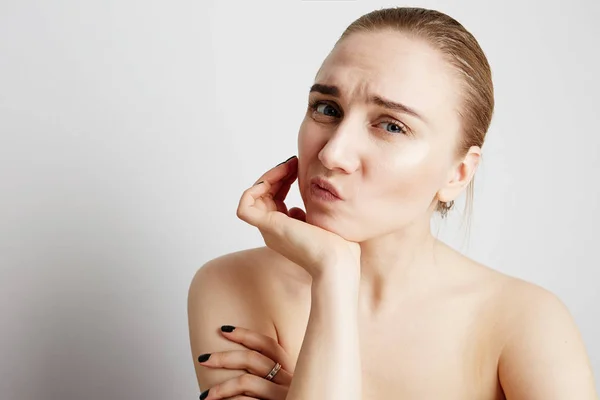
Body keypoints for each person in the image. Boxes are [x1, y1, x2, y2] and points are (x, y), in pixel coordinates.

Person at [187, 6, 598, 400]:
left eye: (391, 125)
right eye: (327, 108)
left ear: (458, 173)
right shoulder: (233, 284)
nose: (332, 154)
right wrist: (335, 275)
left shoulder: (525, 321)